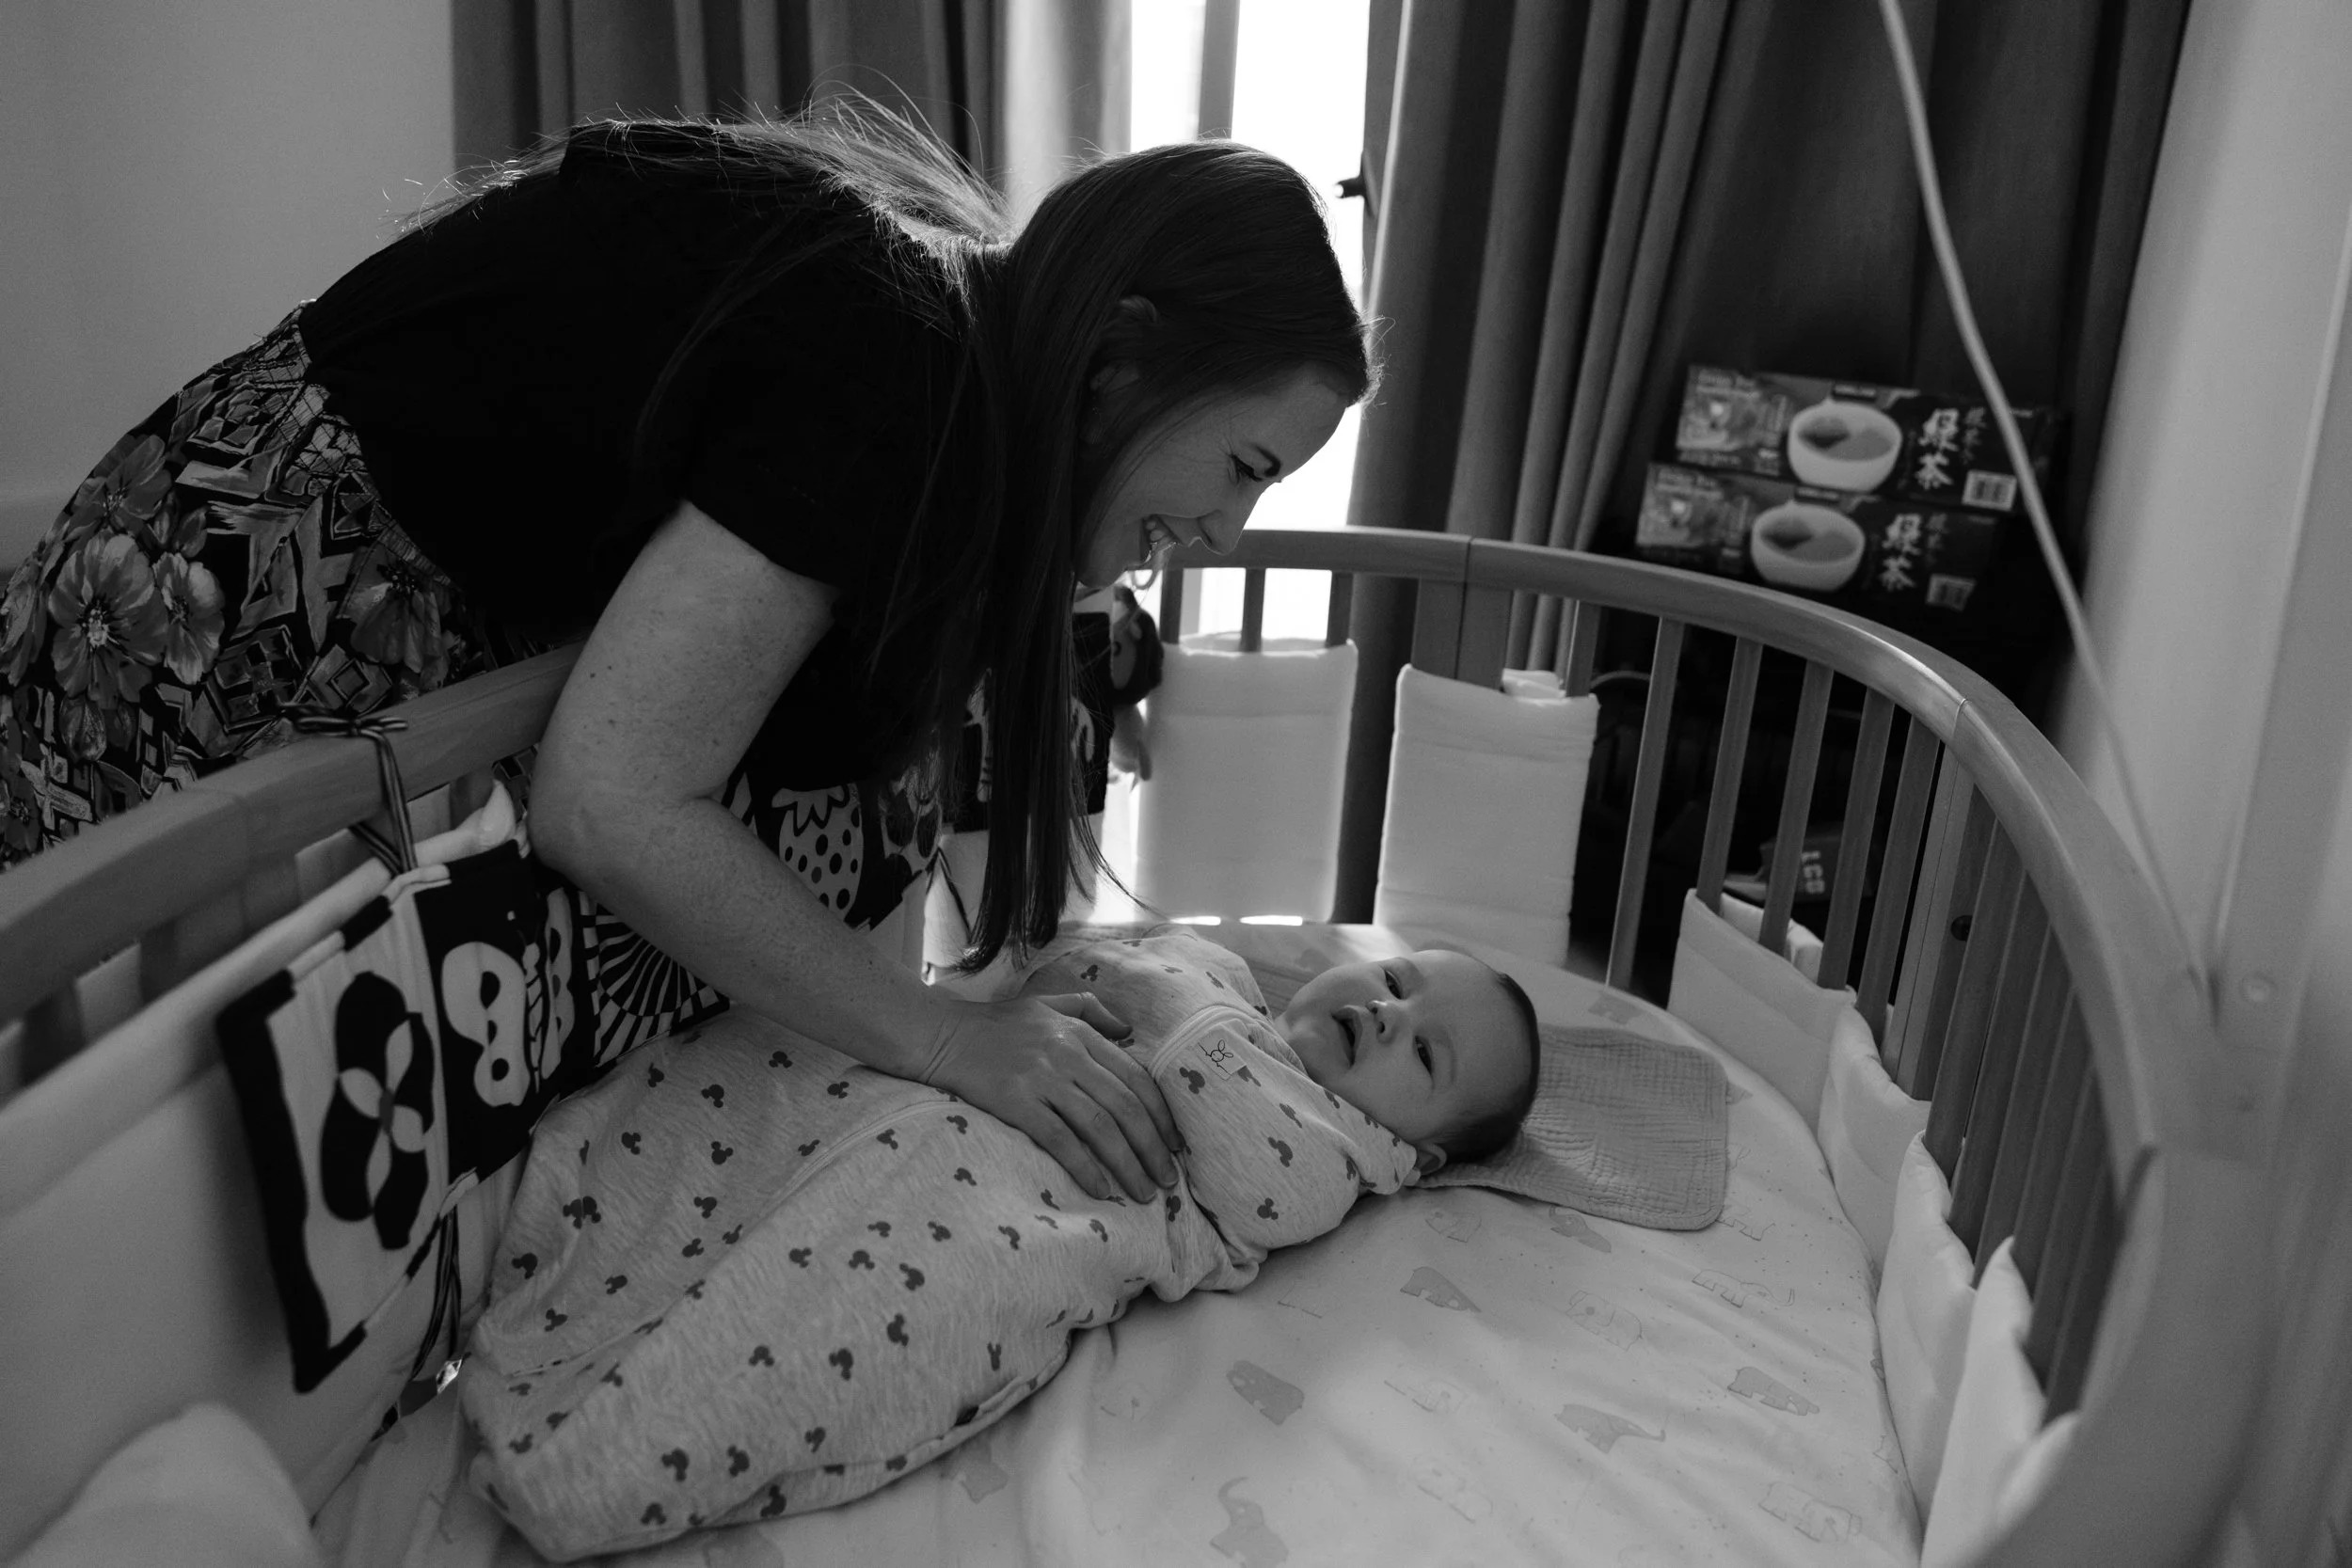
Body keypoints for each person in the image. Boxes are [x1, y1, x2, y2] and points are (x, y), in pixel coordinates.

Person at [0, 104, 1371, 1206]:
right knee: (83, 1080)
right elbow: (615, 803)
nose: (1222, 529)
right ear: (1118, 355)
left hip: (240, 550)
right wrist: (947, 1034)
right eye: (1245, 464)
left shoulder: (934, 351)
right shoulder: (900, 363)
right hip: (201, 590)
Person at [461, 927, 1538, 1555]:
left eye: (1426, 1054)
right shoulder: (1219, 968)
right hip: (919, 1093)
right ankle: (567, 1253)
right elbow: (1051, 962)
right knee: (744, 1090)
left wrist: (1151, 991)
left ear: (1420, 1153)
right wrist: (1074, 979)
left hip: (1004, 1213)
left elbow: (1242, 1145)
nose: (1391, 1013)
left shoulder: (1329, 1155)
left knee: (855, 1307)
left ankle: (601, 1460)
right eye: (1396, 981)